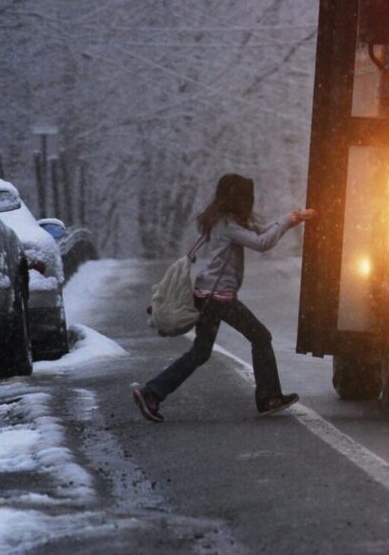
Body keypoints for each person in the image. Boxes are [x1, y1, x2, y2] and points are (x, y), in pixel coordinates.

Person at [131, 174, 316, 423]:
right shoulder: (228, 225)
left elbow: (261, 231)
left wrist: (291, 220)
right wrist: (286, 221)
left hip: (207, 295)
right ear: (238, 199)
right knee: (261, 337)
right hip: (219, 298)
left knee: (200, 352)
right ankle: (269, 398)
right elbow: (262, 242)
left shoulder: (224, 222)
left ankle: (152, 393)